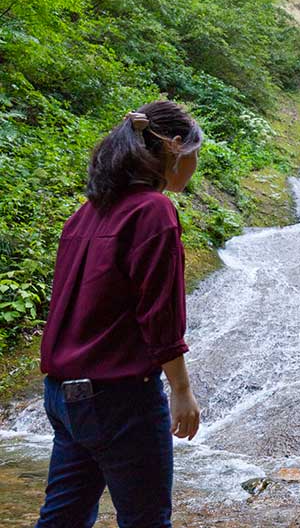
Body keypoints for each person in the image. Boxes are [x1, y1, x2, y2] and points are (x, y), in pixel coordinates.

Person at [36, 100, 203, 527]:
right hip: (120, 399)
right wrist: (181, 391)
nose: (196, 164)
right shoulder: (153, 210)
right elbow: (159, 311)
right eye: (196, 153)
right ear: (175, 147)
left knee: (62, 519)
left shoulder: (85, 213)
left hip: (63, 396)